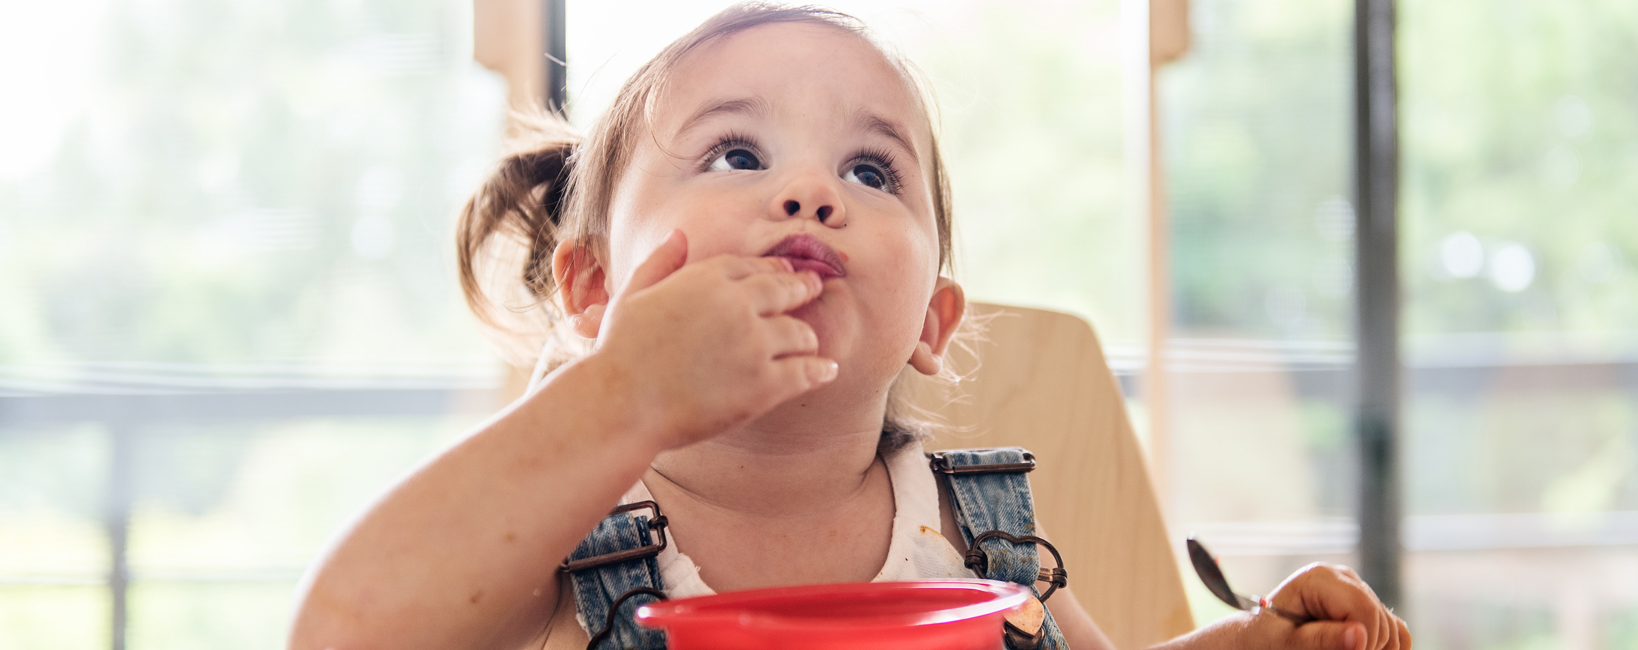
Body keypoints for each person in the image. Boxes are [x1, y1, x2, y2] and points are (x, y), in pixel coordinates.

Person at [288, 4, 1411, 649]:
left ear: (931, 318)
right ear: (592, 289)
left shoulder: (971, 530)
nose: (812, 195)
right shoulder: (573, 522)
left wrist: (1250, 643)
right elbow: (344, 630)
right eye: (737, 154)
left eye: (870, 170)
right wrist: (621, 390)